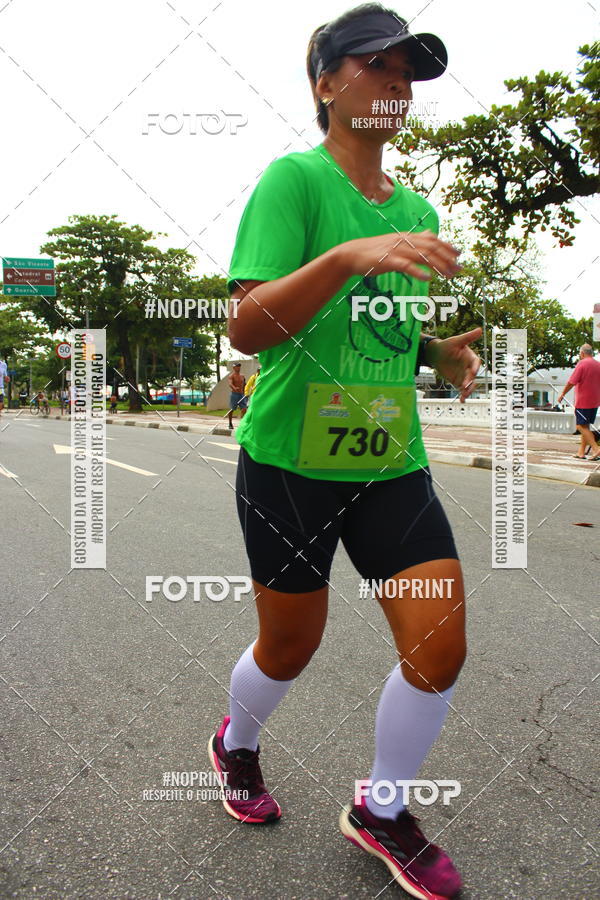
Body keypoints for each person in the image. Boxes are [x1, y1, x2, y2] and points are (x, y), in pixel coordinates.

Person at [208, 6, 482, 899]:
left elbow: (378, 330)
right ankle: (236, 743)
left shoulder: (416, 210)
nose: (397, 86)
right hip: (289, 465)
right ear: (327, 84)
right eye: (378, 67)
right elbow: (250, 327)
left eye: (408, 74)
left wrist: (435, 352)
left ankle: (382, 808)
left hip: (389, 462)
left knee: (440, 645)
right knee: (290, 646)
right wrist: (351, 256)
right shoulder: (293, 182)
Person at [557, 344, 600, 460]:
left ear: (582, 353)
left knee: (580, 426)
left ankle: (596, 448)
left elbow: (572, 381)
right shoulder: (598, 364)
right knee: (586, 425)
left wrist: (563, 393)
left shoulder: (582, 363)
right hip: (595, 400)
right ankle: (581, 452)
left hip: (584, 400)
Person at [227, 362, 247, 429]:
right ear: (234, 368)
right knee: (232, 409)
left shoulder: (242, 376)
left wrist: (246, 391)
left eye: (239, 366)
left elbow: (244, 384)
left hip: (242, 394)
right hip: (234, 394)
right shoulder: (231, 376)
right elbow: (230, 384)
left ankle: (243, 423)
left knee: (244, 408)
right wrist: (234, 388)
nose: (238, 368)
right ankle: (230, 423)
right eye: (237, 366)